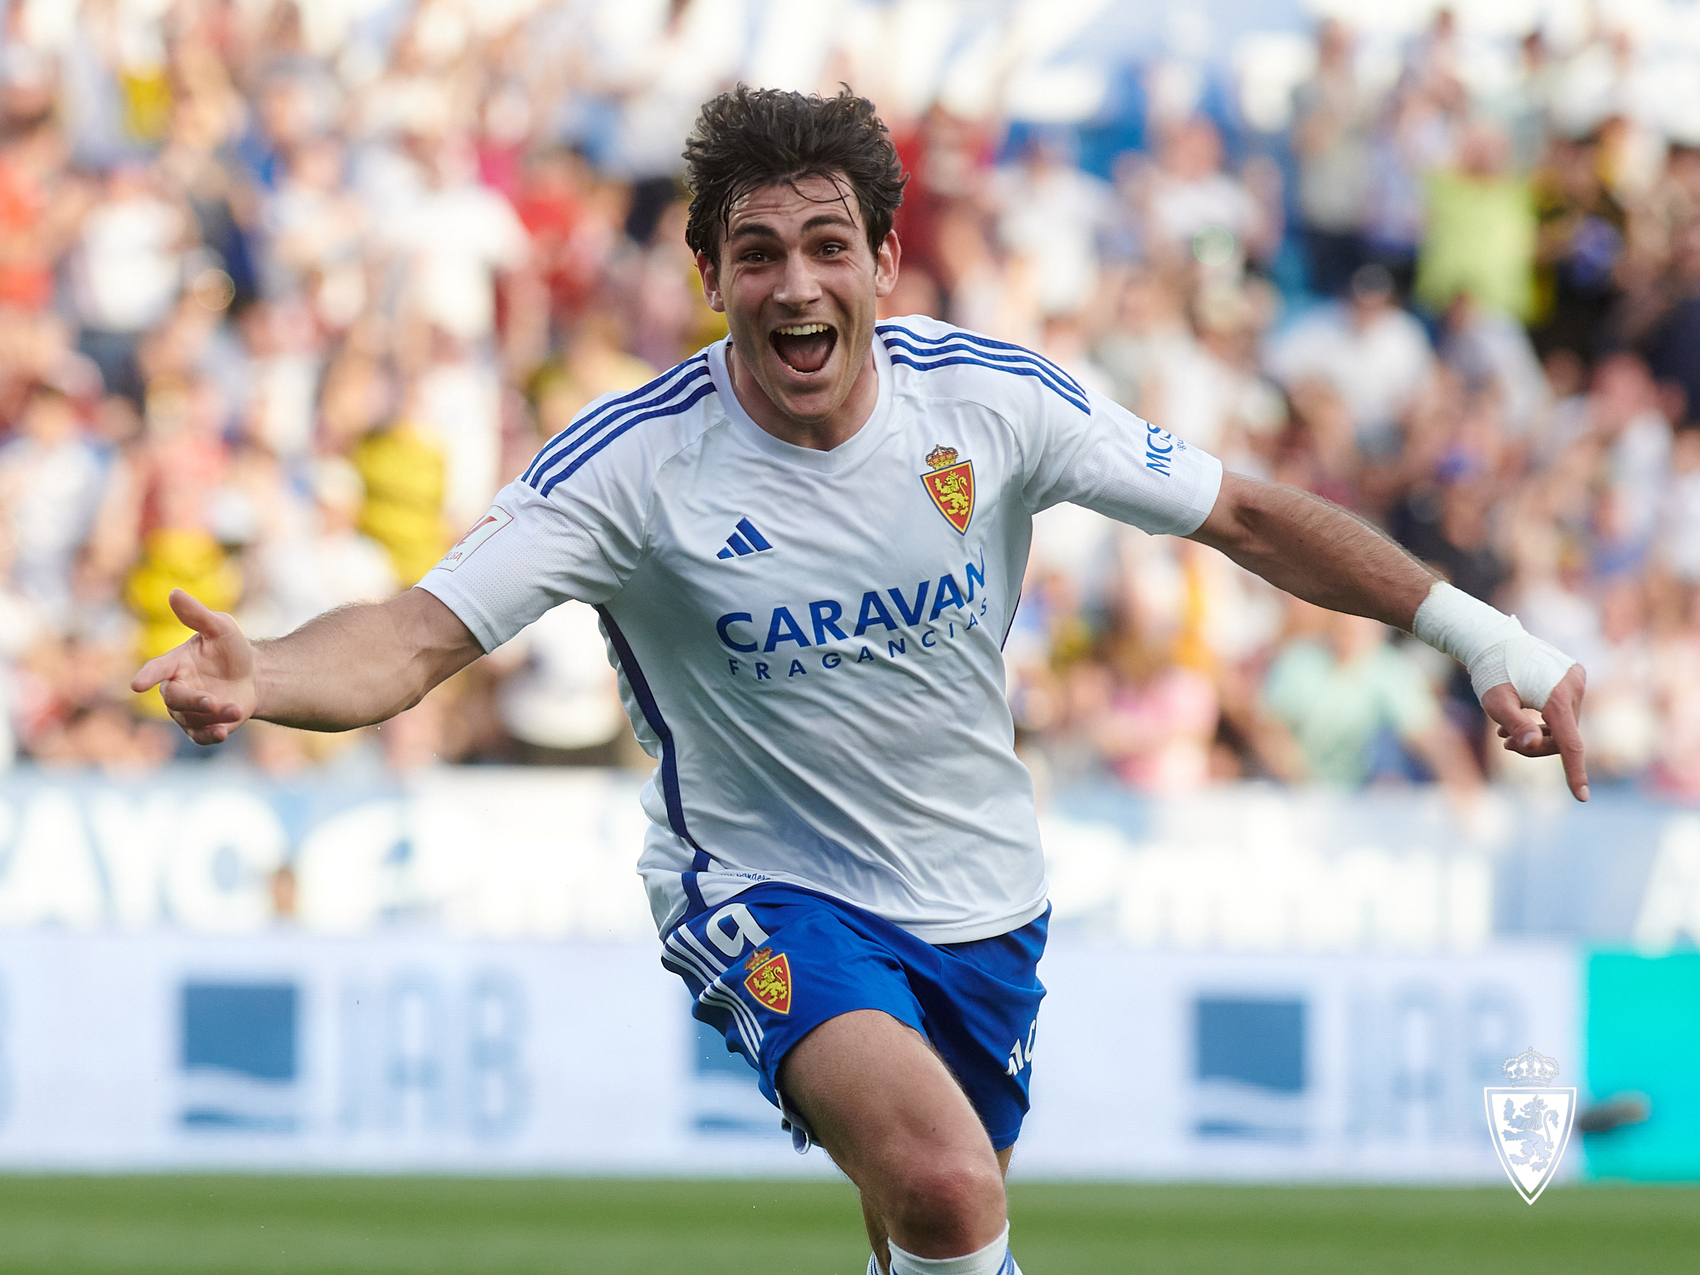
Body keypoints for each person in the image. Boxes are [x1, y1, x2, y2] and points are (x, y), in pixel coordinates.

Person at [133, 88, 1589, 1275]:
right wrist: (266, 673)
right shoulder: (632, 468)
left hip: (983, 900)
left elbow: (1252, 518)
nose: (796, 284)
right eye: (756, 253)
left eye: (828, 245)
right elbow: (414, 637)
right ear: (711, 279)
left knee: (923, 1235)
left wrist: (1494, 642)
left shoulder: (996, 404)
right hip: (759, 888)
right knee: (949, 1188)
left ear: (885, 262)